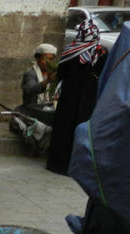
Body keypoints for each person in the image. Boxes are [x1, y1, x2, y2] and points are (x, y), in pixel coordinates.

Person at [46, 20, 108, 176]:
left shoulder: (70, 51)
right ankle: (79, 167)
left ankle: (58, 165)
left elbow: (61, 73)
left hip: (69, 98)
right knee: (83, 130)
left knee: (64, 129)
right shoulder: (101, 53)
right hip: (88, 99)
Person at [20, 43, 58, 108]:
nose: (48, 62)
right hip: (31, 110)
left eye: (51, 59)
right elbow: (30, 90)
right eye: (45, 59)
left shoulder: (54, 73)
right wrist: (47, 81)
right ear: (37, 59)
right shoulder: (30, 73)